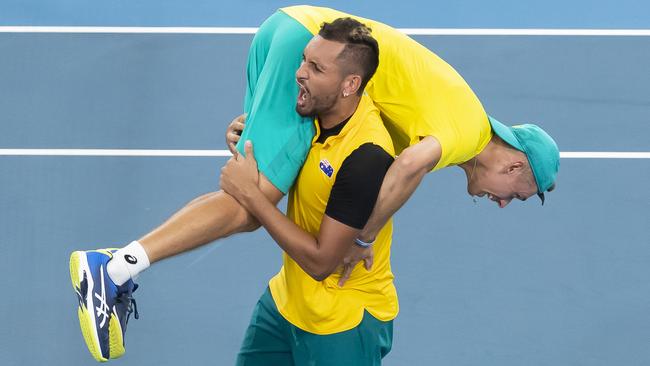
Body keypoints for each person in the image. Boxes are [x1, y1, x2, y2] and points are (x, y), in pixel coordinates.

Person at [69, 5, 560, 362]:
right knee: (246, 204)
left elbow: (353, 138)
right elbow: (409, 166)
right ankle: (113, 269)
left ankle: (117, 266)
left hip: (288, 29)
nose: (502, 202)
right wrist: (362, 237)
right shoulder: (465, 130)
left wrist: (256, 124)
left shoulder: (433, 113)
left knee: (251, 181)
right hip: (316, 51)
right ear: (516, 166)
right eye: (514, 195)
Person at [220, 18, 396, 364]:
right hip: (286, 300)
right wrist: (246, 130)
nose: (300, 72)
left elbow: (321, 261)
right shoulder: (315, 111)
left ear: (349, 85)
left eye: (316, 68)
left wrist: (252, 196)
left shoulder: (366, 156)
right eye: (303, 59)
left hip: (342, 320)